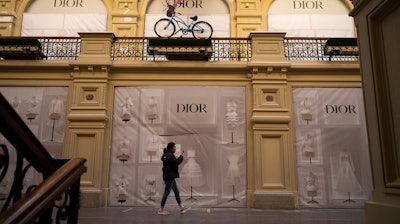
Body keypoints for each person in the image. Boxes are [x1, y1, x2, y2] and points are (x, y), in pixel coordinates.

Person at [158, 142, 188, 215]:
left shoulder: (166, 155)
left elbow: (172, 163)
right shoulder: (170, 156)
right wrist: (181, 156)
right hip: (170, 176)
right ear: (171, 148)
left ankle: (181, 207)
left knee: (176, 192)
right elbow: (177, 162)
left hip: (170, 176)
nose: (175, 149)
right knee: (167, 192)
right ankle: (161, 209)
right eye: (174, 147)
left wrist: (177, 157)